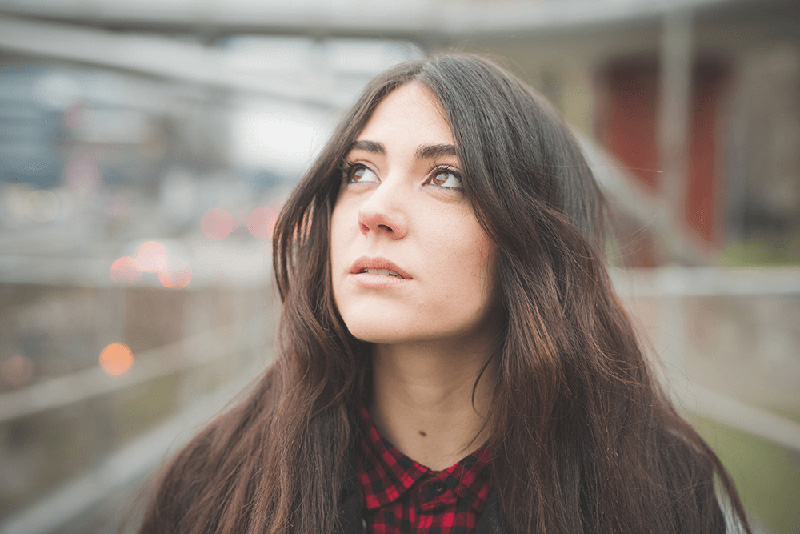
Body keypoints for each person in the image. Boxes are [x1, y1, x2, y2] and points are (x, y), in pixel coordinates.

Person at [138, 54, 751, 533]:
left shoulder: (653, 494)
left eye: (445, 177)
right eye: (359, 172)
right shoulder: (213, 484)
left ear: (532, 240)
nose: (375, 210)